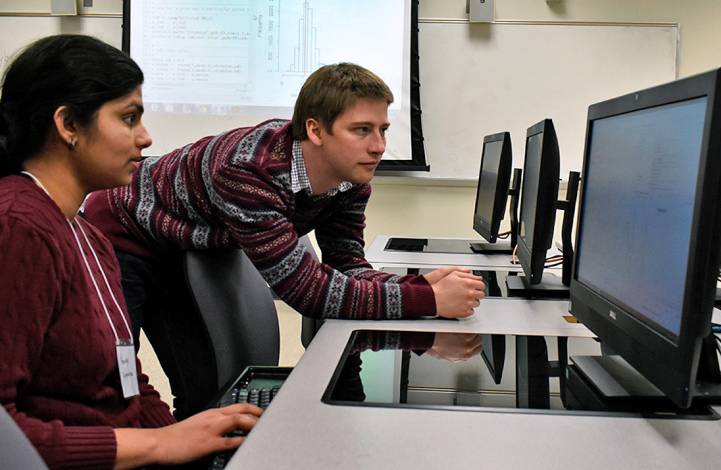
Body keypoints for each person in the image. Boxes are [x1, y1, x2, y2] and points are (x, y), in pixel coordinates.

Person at [84, 62, 486, 418]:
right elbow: (309, 291)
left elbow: (346, 266)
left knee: (206, 392)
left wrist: (416, 287)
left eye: (382, 129)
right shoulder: (248, 170)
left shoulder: (350, 178)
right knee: (114, 383)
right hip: (125, 229)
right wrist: (428, 300)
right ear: (315, 130)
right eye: (361, 130)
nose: (378, 146)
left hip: (189, 242)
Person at [0, 34, 262, 469]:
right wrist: (161, 446)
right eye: (128, 118)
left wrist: (184, 444)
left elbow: (126, 383)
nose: (145, 137)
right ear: (68, 126)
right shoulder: (18, 228)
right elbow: (5, 436)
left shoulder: (89, 235)